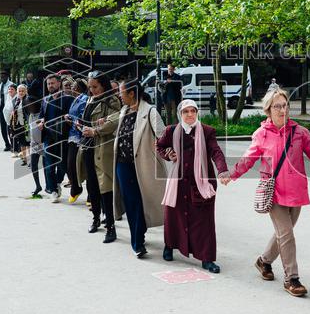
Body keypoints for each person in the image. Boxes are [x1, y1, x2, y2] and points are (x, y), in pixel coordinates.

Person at [225, 87, 310, 297]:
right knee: (286, 234)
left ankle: (263, 261)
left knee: (283, 233)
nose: (283, 110)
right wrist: (232, 174)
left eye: (285, 105)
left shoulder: (300, 132)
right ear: (268, 110)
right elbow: (248, 159)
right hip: (275, 191)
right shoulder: (261, 134)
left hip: (297, 190)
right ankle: (292, 278)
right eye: (277, 106)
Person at [155, 99, 230, 273]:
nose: (190, 114)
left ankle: (207, 258)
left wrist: (222, 170)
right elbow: (160, 145)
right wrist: (168, 154)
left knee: (204, 220)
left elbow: (216, 151)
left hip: (201, 182)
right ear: (180, 114)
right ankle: (169, 245)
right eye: (185, 111)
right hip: (178, 183)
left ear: (197, 112)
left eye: (193, 111)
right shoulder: (171, 131)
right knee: (174, 216)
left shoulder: (207, 131)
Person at [112, 79, 167, 258]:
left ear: (132, 93)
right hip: (123, 164)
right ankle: (137, 242)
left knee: (142, 201)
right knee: (131, 201)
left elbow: (164, 136)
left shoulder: (150, 111)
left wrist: (169, 151)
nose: (119, 95)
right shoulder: (124, 111)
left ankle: (139, 235)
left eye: (121, 92)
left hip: (144, 165)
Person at [76, 72, 122, 241]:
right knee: (92, 186)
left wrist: (96, 130)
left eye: (95, 86)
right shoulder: (90, 99)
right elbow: (88, 120)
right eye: (90, 87)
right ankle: (96, 218)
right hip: (88, 147)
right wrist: (80, 124)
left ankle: (110, 225)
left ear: (104, 85)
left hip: (103, 148)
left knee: (105, 188)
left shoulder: (112, 100)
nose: (92, 90)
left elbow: (115, 121)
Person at [39, 73, 74, 202]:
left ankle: (58, 182)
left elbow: (73, 116)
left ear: (59, 83)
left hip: (63, 137)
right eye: (48, 84)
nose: (50, 86)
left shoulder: (68, 99)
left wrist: (68, 118)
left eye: (52, 83)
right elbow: (41, 116)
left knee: (62, 165)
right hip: (48, 137)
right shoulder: (45, 100)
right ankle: (53, 190)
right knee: (49, 166)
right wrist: (41, 122)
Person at [65, 79, 89, 203]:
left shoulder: (84, 99)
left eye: (74, 86)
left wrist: (73, 121)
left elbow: (82, 117)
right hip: (72, 135)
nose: (71, 88)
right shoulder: (75, 99)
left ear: (79, 88)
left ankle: (90, 196)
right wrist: (68, 118)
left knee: (84, 166)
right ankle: (76, 188)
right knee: (70, 165)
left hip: (81, 136)